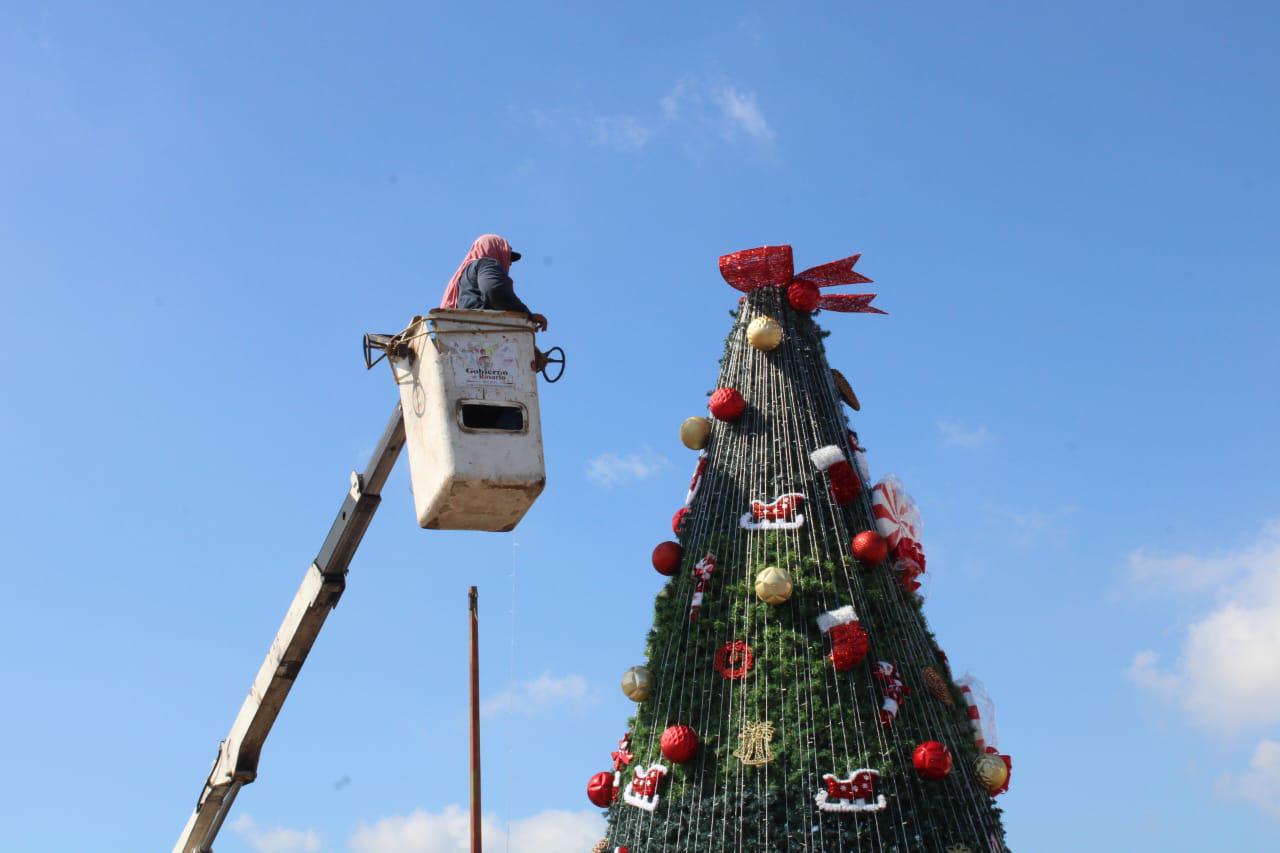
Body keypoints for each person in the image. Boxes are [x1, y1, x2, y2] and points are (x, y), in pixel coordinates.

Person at [439, 234, 548, 332]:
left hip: (465, 334)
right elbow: (495, 291)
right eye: (507, 256)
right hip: (482, 332)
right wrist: (527, 315)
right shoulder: (487, 263)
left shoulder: (463, 275)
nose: (510, 263)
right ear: (494, 250)